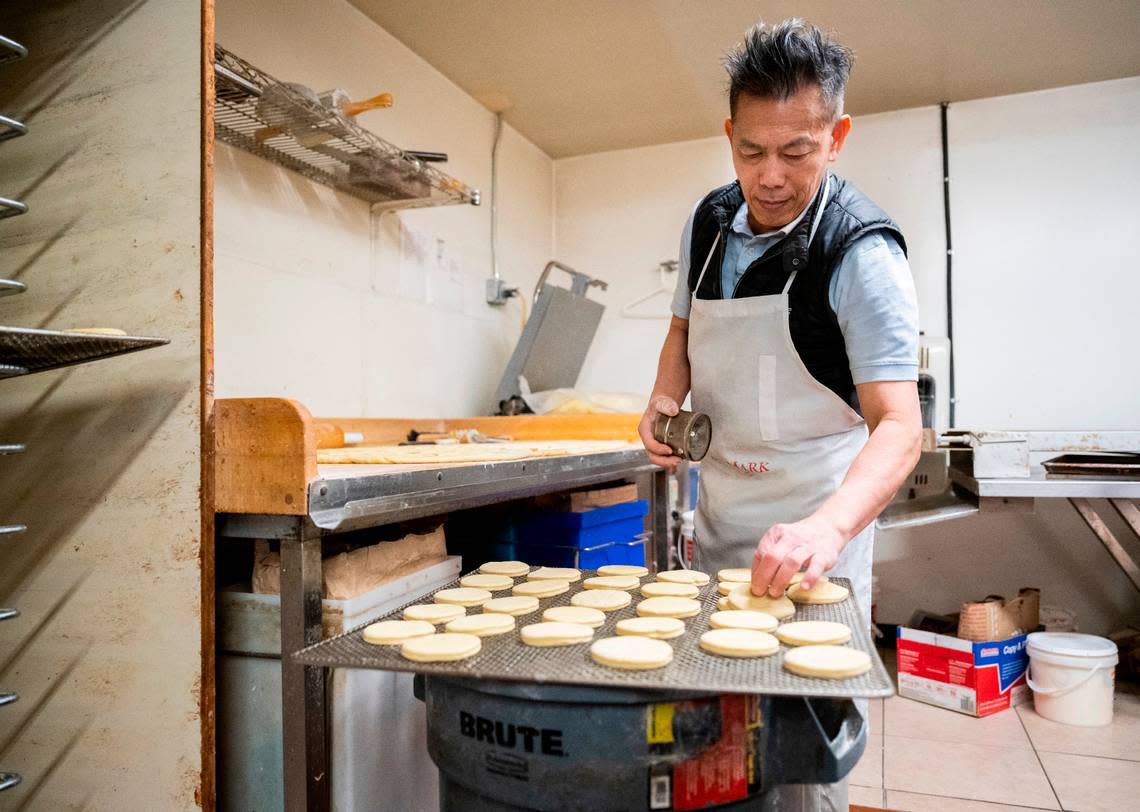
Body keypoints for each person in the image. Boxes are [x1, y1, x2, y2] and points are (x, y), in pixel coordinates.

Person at [639, 19, 923, 809]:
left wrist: (825, 533)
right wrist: (665, 401)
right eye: (751, 151)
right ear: (730, 134)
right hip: (721, 537)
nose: (769, 177)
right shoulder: (707, 225)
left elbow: (900, 425)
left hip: (813, 557)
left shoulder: (861, 253)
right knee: (717, 754)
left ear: (837, 137)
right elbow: (681, 331)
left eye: (796, 152)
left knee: (797, 773)